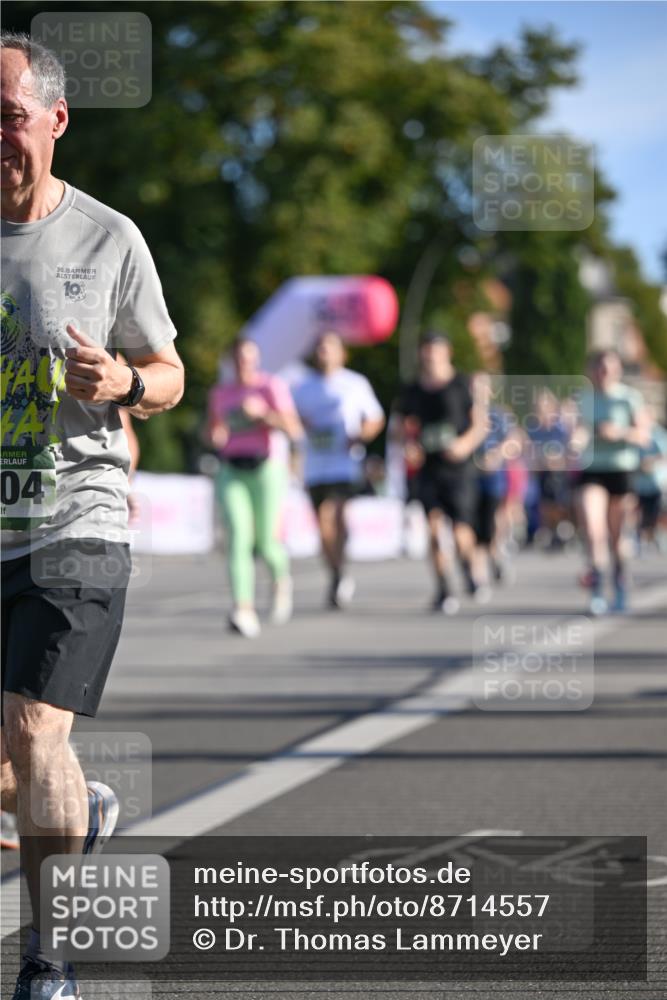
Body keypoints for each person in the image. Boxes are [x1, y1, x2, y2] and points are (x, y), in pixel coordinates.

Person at [1, 33, 184, 1000]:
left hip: (77, 519)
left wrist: (122, 380)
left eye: (9, 116)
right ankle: (79, 802)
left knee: (35, 732)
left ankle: (46, 962)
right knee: (36, 767)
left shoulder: (109, 238)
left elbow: (169, 373)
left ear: (56, 120)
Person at [208, 337, 302, 637]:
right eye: (237, 359)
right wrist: (215, 434)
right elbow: (213, 430)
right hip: (232, 468)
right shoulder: (221, 393)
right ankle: (243, 608)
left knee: (267, 542)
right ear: (231, 362)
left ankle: (280, 579)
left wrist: (263, 414)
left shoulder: (270, 387)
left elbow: (294, 429)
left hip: (266, 468)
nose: (243, 364)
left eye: (248, 358)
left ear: (257, 360)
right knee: (237, 537)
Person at [393, 332, 487, 612]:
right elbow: (399, 428)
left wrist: (463, 445)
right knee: (433, 529)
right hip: (428, 468)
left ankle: (469, 564)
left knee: (460, 532)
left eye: (435, 350)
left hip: (458, 468)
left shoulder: (461, 384)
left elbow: (480, 425)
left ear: (447, 352)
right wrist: (408, 446)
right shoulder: (412, 390)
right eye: (426, 351)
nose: (430, 356)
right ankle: (443, 587)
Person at [292, 331, 385, 608]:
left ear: (341, 353)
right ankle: (337, 573)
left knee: (333, 517)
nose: (324, 352)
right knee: (323, 529)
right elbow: (291, 421)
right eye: (319, 347)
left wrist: (359, 436)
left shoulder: (355, 384)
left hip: (344, 465)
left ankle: (338, 572)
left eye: (329, 348)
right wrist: (301, 425)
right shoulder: (302, 387)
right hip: (314, 466)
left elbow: (375, 419)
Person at [576, 349, 651, 614]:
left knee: (618, 538)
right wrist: (577, 439)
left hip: (622, 470)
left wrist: (618, 432)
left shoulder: (629, 398)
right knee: (594, 530)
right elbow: (577, 430)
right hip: (593, 470)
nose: (603, 374)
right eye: (599, 368)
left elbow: (644, 436)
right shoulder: (584, 398)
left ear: (617, 370)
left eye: (608, 368)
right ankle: (596, 586)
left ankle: (620, 582)